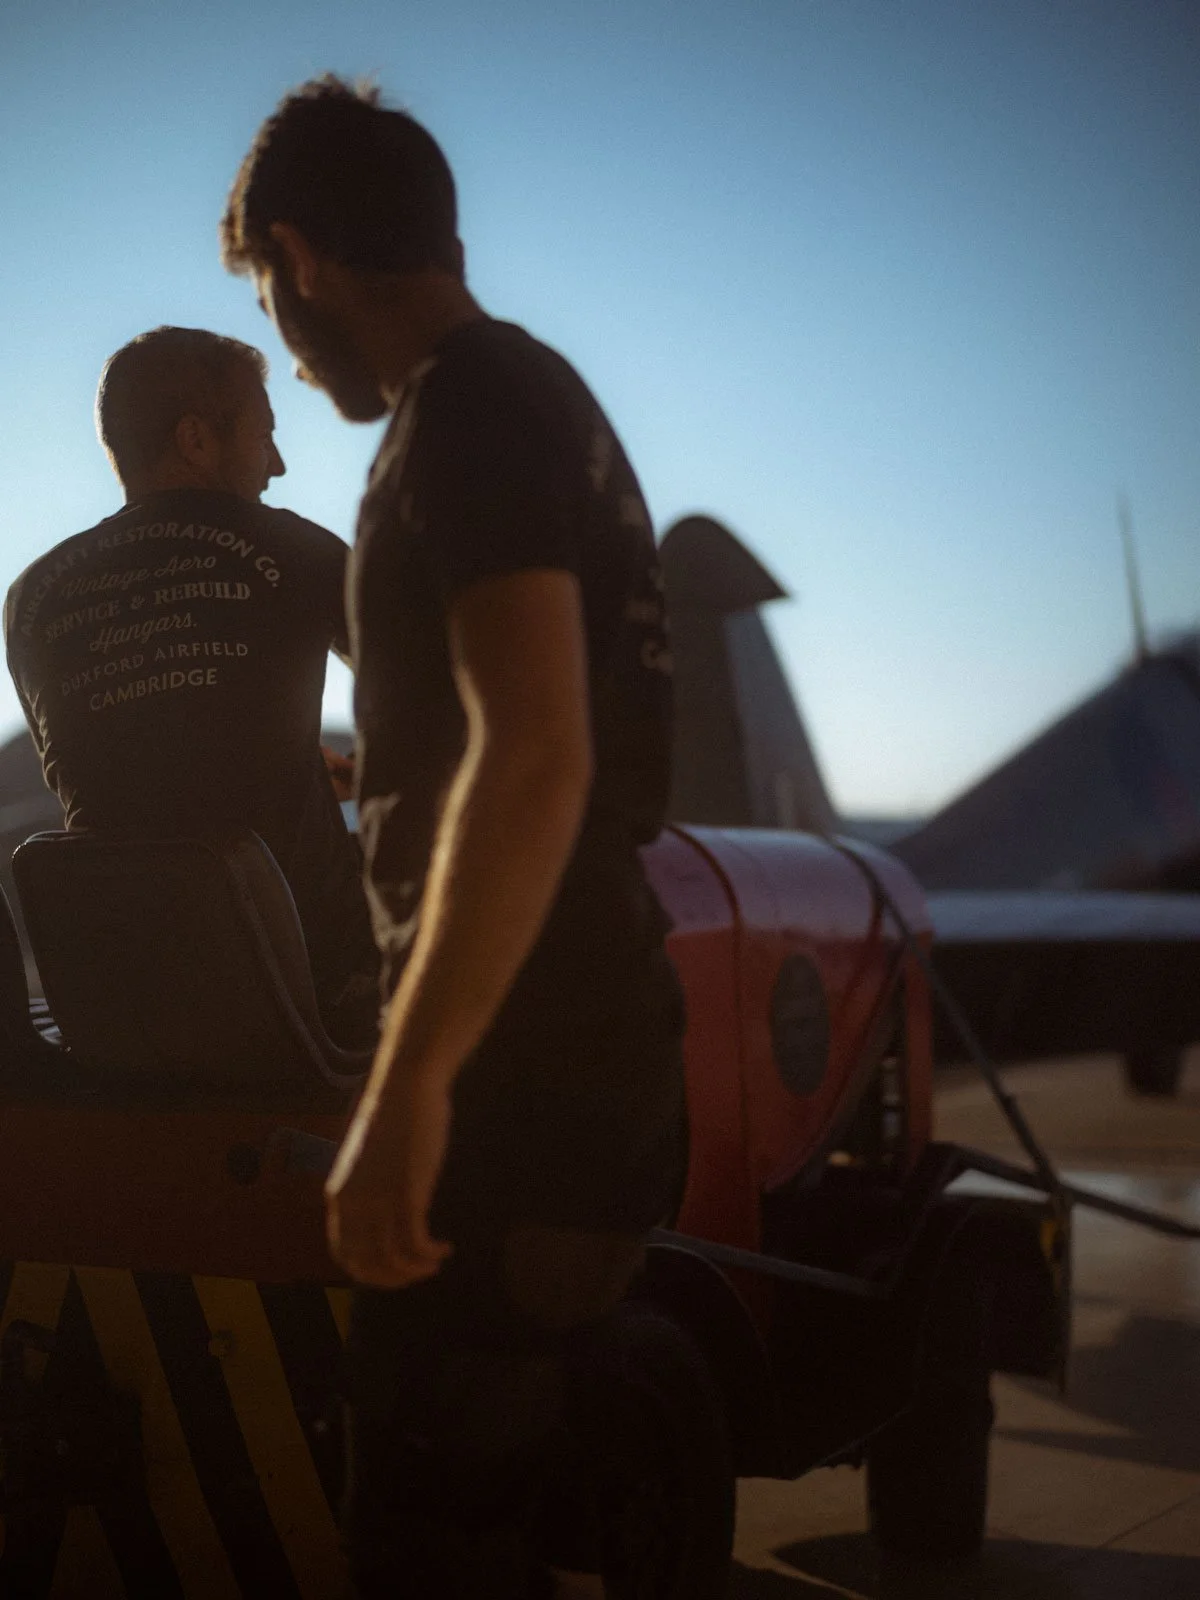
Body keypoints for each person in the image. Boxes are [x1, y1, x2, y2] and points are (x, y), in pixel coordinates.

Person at [221, 77, 688, 1598]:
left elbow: (539, 751)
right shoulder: (539, 393)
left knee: (430, 1543)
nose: (294, 359)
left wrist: (412, 1087)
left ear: (303, 257)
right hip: (587, 1044)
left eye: (277, 310)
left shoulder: (462, 413)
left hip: (522, 1076)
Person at [4, 325, 377, 1043]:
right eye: (264, 435)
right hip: (310, 999)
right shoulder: (292, 548)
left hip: (118, 1007)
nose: (277, 465)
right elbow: (437, 695)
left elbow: (114, 764)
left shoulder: (32, 597)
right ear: (196, 440)